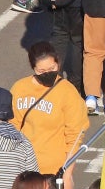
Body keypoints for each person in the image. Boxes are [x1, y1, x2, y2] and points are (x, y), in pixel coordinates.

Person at [12, 40, 88, 177]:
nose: (47, 73)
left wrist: (67, 175)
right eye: (41, 71)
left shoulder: (68, 92)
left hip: (54, 173)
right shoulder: (19, 88)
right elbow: (11, 127)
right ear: (32, 67)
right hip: (23, 171)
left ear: (58, 63)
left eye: (52, 68)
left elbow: (74, 137)